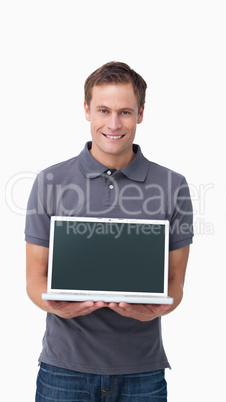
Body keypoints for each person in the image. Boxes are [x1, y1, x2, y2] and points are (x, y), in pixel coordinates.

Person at [25, 61, 193, 401]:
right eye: (103, 110)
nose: (113, 124)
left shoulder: (173, 185)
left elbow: (175, 285)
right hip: (63, 371)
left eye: (125, 112)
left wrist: (153, 309)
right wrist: (59, 307)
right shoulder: (50, 181)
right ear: (87, 110)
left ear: (141, 113)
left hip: (142, 373)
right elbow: (34, 280)